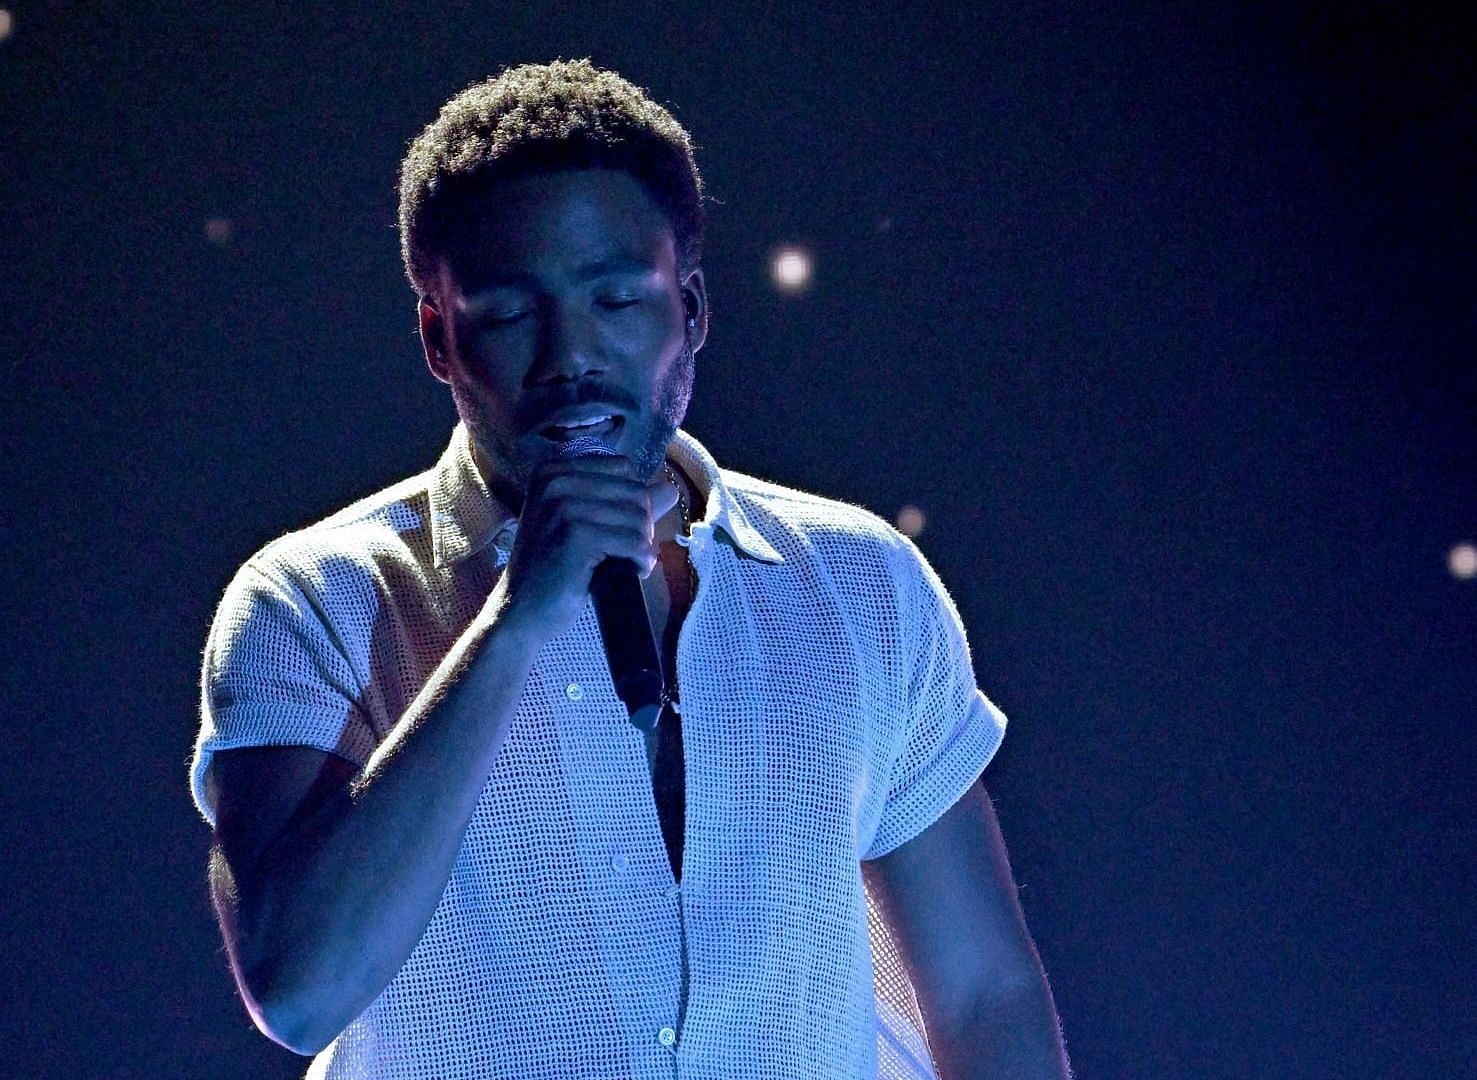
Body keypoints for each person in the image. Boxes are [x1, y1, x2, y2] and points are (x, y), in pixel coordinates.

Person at [189, 60, 1072, 1079]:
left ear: (689, 311)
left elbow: (981, 991)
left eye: (617, 299)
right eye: (512, 312)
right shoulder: (313, 601)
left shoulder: (860, 582)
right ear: (439, 336)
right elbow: (299, 987)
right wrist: (517, 623)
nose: (573, 357)